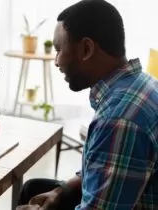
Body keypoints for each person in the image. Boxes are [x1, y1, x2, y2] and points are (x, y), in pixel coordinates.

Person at [16, 0, 158, 209]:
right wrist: (61, 191)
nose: (56, 61)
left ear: (86, 49)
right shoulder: (141, 84)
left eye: (59, 50)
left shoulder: (118, 120)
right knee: (34, 188)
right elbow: (105, 168)